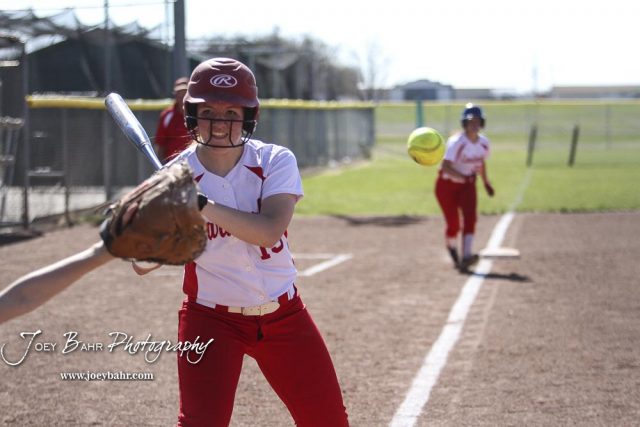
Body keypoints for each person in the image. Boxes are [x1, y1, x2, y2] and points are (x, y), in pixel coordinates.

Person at [163, 57, 349, 426]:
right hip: (210, 319)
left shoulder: (274, 160)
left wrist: (198, 204)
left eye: (232, 112)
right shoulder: (173, 177)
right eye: (208, 111)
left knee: (327, 420)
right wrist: (146, 220)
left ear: (249, 116)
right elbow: (142, 264)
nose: (219, 123)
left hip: (284, 314)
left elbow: (268, 231)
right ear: (192, 114)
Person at [435, 103, 495, 273]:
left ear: (482, 123)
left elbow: (481, 163)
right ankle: (452, 249)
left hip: (468, 185)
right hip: (447, 186)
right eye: (471, 121)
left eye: (477, 121)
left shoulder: (484, 143)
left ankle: (467, 255)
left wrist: (486, 182)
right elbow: (445, 166)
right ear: (465, 123)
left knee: (471, 219)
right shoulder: (457, 142)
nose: (474, 124)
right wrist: (462, 177)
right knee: (454, 224)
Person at [154, 77, 191, 162]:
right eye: (179, 92)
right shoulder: (167, 115)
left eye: (184, 92)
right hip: (173, 164)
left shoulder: (198, 114)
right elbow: (160, 144)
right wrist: (161, 165)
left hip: (195, 164)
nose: (182, 96)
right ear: (175, 94)